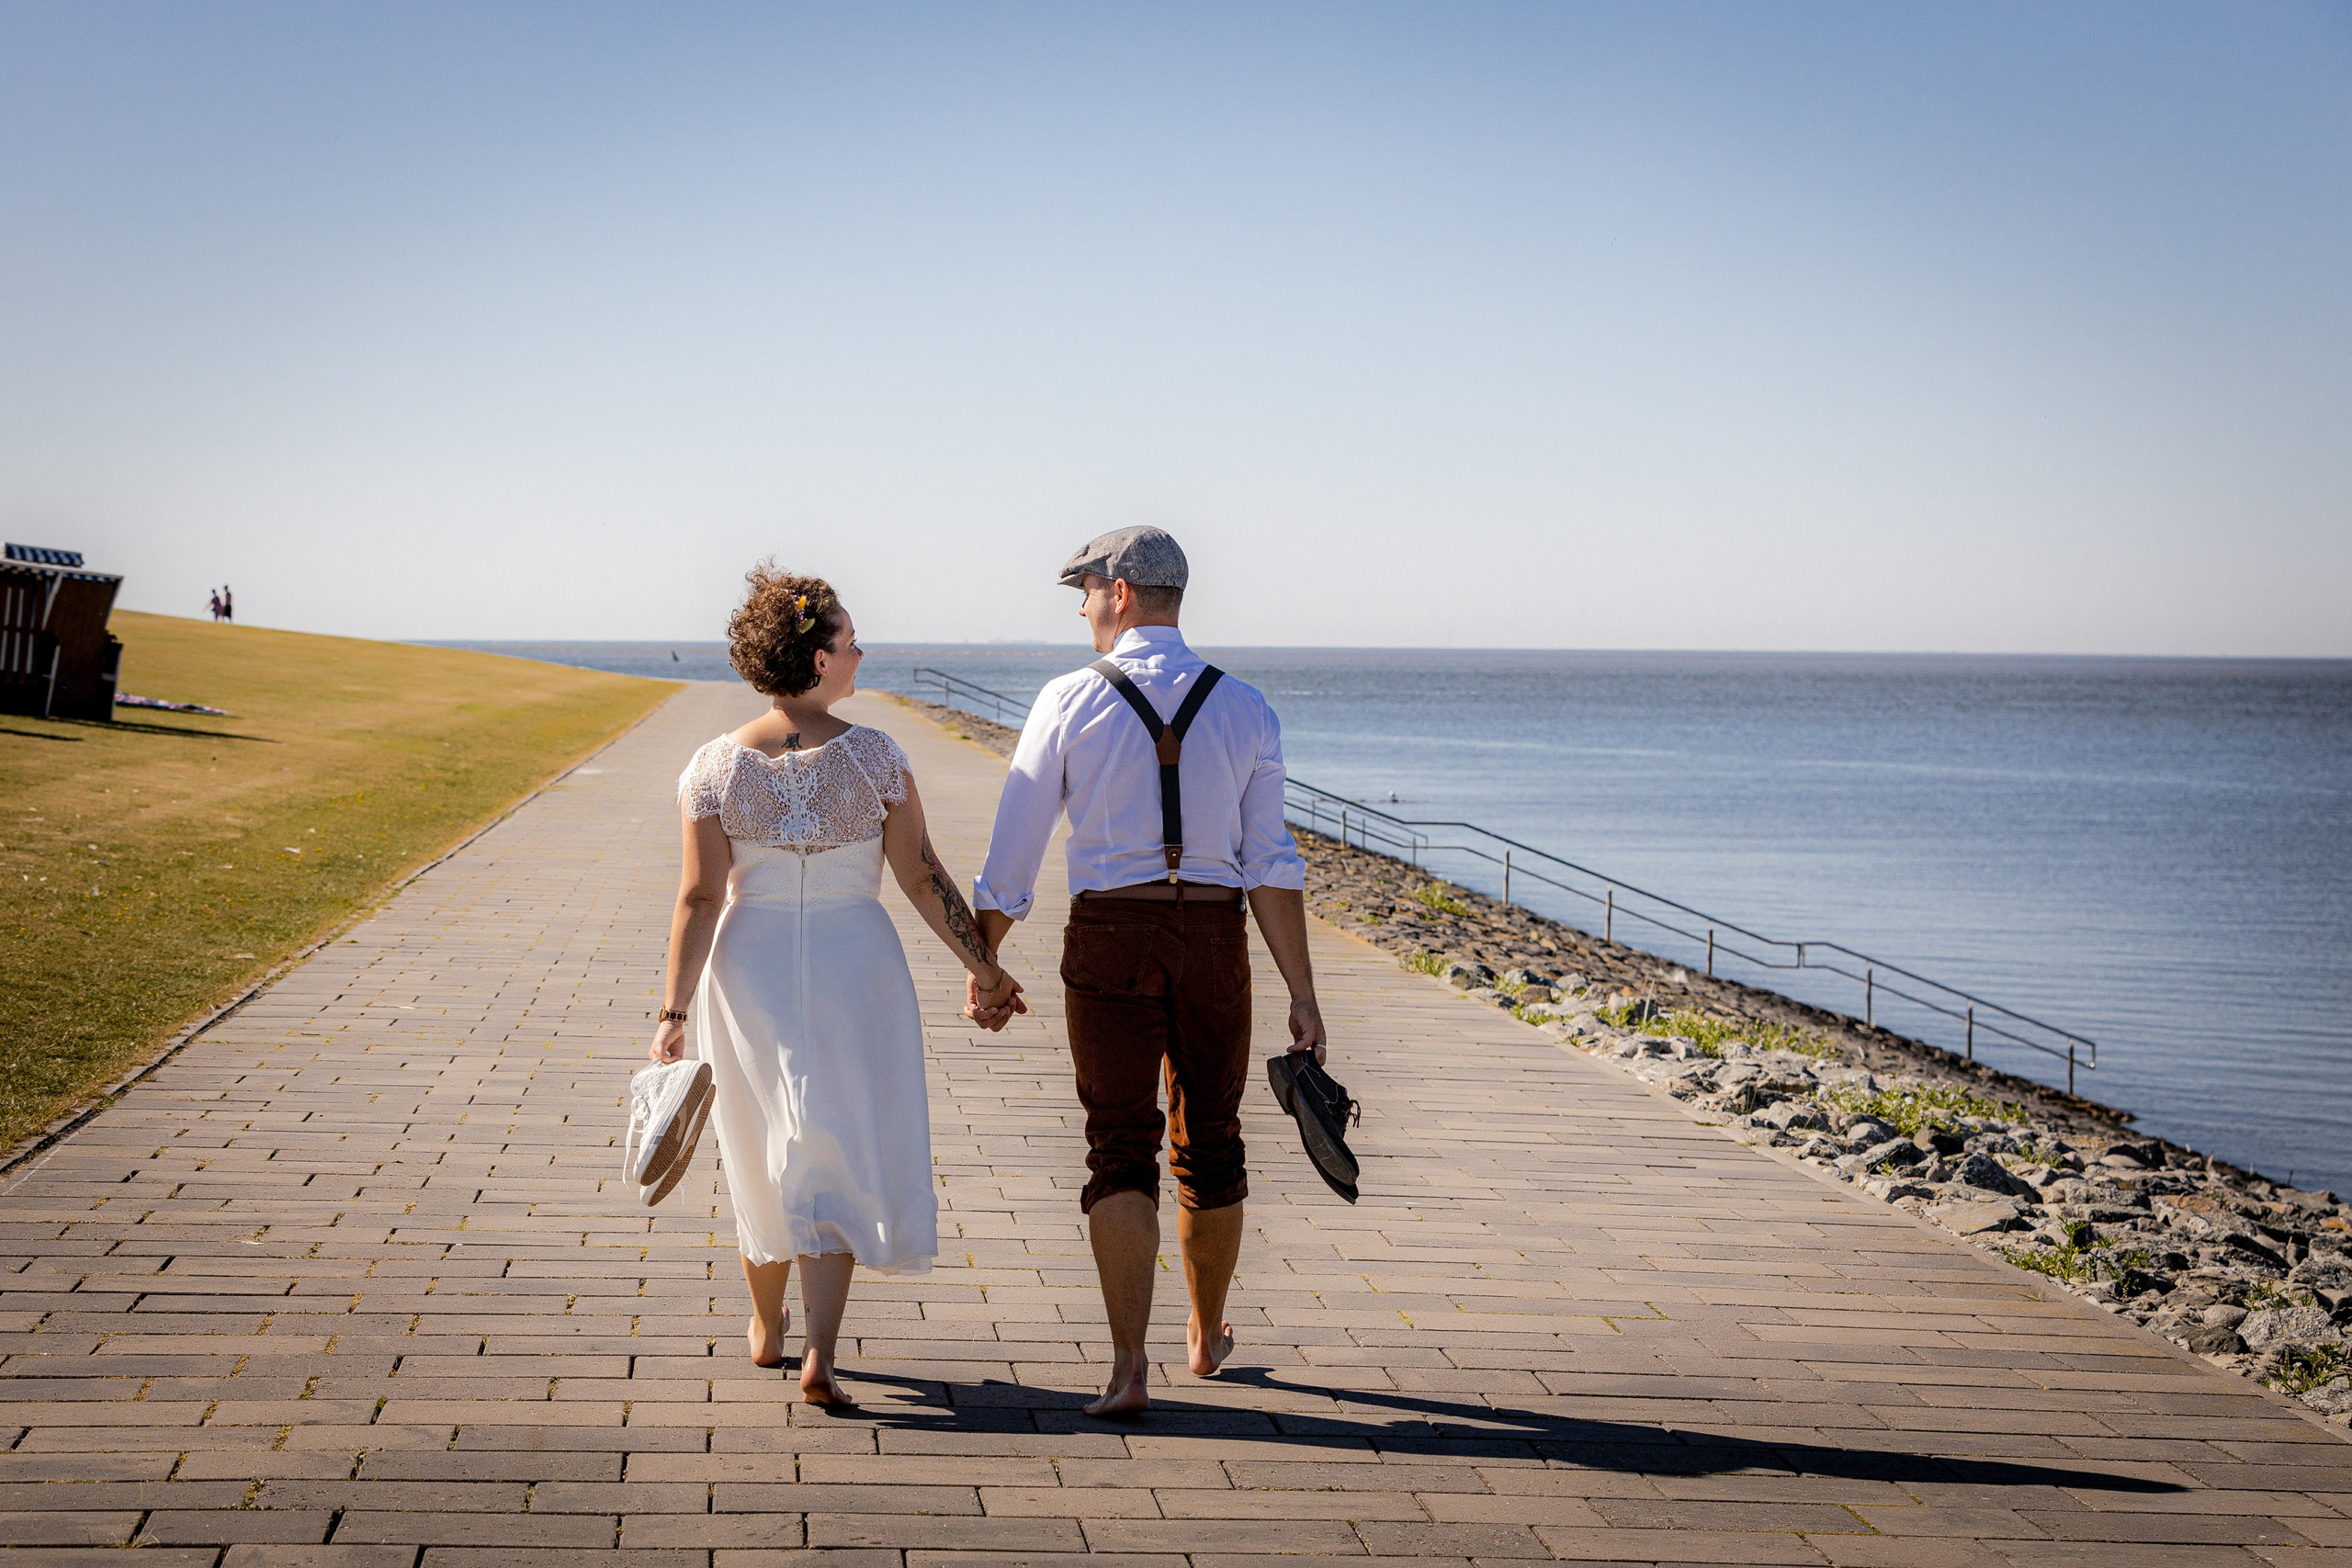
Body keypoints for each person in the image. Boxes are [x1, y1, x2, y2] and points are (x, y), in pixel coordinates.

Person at [971, 525, 1326, 1417]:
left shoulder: (1066, 700)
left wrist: (985, 962)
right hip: (1213, 935)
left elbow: (1012, 860)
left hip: (1109, 935)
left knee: (1117, 1145)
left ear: (1120, 591)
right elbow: (1270, 863)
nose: (1083, 605)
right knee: (1211, 1138)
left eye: (1085, 589)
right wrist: (1303, 995)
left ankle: (1128, 1365)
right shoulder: (1246, 708)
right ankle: (1205, 1338)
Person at [649, 565, 1023, 1404]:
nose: (861, 651)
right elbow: (923, 878)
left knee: (761, 1137)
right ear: (819, 661)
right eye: (850, 639)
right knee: (836, 1134)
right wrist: (987, 971)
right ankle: (820, 1351)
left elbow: (701, 896)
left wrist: (672, 1012)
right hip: (858, 962)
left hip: (748, 966)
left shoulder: (713, 767)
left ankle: (766, 1324)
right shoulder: (877, 757)